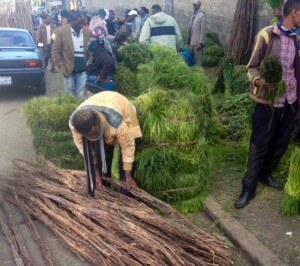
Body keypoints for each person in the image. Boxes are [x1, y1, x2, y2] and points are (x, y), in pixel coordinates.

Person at [234, 0, 300, 209]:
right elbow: (252, 66)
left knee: (280, 144)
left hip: (290, 101)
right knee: (259, 145)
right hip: (267, 101)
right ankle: (248, 188)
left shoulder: (297, 39)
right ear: (295, 13)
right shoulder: (266, 35)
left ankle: (266, 175)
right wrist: (260, 82)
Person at [69, 91, 142, 197]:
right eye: (89, 136)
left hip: (123, 109)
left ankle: (126, 194)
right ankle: (106, 189)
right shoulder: (75, 125)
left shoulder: (116, 122)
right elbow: (86, 150)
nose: (93, 137)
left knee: (126, 166)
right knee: (103, 157)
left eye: (94, 133)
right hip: (101, 103)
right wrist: (97, 173)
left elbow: (128, 147)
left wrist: (128, 176)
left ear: (97, 121)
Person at [52, 11, 91, 101]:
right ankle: (71, 114)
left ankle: (81, 114)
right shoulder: (60, 32)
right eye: (78, 23)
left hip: (83, 70)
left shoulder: (87, 32)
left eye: (82, 23)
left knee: (82, 97)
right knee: (70, 98)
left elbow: (90, 51)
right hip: (68, 70)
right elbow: (55, 52)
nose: (81, 25)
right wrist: (62, 67)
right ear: (72, 21)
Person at [187, 0, 206, 66]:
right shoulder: (193, 15)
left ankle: (198, 73)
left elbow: (202, 30)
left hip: (197, 42)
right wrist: (189, 39)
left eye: (196, 5)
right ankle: (192, 73)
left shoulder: (202, 15)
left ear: (199, 6)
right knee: (191, 58)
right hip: (192, 40)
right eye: (194, 4)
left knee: (198, 59)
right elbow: (190, 27)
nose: (194, 6)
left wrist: (200, 43)